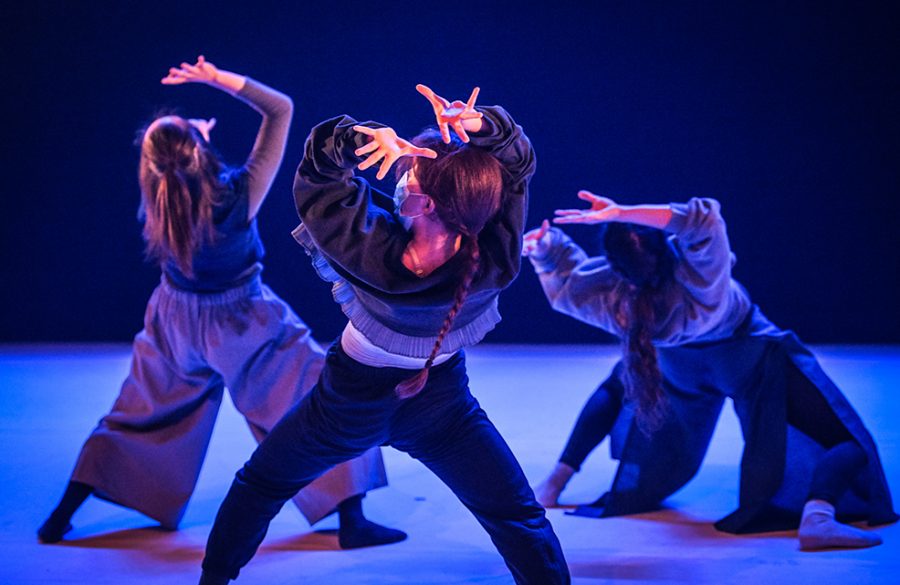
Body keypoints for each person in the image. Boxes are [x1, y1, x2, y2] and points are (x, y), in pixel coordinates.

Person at [197, 85, 569, 584]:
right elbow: (517, 167)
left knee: (260, 484)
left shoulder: (368, 252)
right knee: (517, 515)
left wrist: (356, 140)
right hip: (442, 406)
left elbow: (317, 180)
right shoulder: (495, 261)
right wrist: (481, 127)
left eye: (407, 173)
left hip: (350, 403)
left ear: (419, 203)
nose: (401, 176)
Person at [38, 57, 403, 550]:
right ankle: (352, 521)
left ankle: (61, 516)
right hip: (241, 319)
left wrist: (193, 137)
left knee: (136, 414)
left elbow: (170, 160)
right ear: (198, 152)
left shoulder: (157, 195)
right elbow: (280, 110)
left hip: (173, 319)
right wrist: (217, 80)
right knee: (320, 396)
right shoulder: (239, 194)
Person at [524, 192, 896, 550]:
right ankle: (818, 516)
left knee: (619, 384)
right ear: (664, 246)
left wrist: (545, 249)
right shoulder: (700, 280)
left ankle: (554, 483)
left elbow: (570, 286)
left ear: (615, 268)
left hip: (675, 365)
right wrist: (624, 212)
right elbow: (704, 220)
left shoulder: (620, 301)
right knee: (847, 438)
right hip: (746, 356)